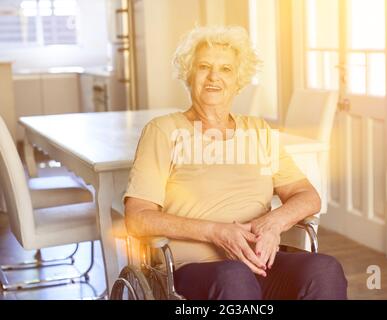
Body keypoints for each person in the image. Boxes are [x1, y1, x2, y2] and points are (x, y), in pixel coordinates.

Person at [123, 25, 347, 300]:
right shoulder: (163, 131)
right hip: (195, 270)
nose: (214, 77)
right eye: (204, 66)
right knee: (235, 276)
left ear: (238, 80)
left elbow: (308, 196)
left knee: (325, 269)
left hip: (262, 264)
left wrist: (273, 223)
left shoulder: (259, 131)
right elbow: (137, 218)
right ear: (188, 74)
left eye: (226, 69)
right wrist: (216, 232)